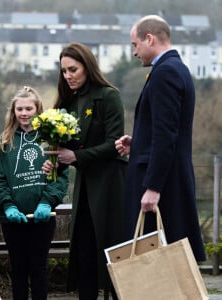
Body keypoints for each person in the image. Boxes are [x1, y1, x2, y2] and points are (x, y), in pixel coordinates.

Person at [115, 15, 206, 262]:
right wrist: (138, 143)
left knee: (159, 264)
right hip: (168, 178)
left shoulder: (165, 73)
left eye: (135, 45)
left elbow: (167, 136)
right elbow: (165, 130)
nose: (134, 53)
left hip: (162, 186)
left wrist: (153, 188)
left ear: (150, 38)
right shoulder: (176, 69)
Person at [43, 42, 128, 299]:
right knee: (85, 253)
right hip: (85, 187)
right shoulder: (68, 101)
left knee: (114, 253)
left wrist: (75, 156)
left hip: (111, 185)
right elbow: (67, 149)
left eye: (73, 69)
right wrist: (57, 161)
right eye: (64, 71)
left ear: (87, 67)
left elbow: (114, 145)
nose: (68, 76)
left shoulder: (108, 96)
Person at [0, 86, 69, 300]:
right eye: (19, 109)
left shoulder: (51, 138)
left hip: (42, 218)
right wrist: (7, 205)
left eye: (29, 108)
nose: (24, 113)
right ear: (13, 111)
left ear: (38, 109)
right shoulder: (3, 142)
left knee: (38, 268)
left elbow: (61, 177)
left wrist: (47, 201)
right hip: (13, 219)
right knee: (18, 269)